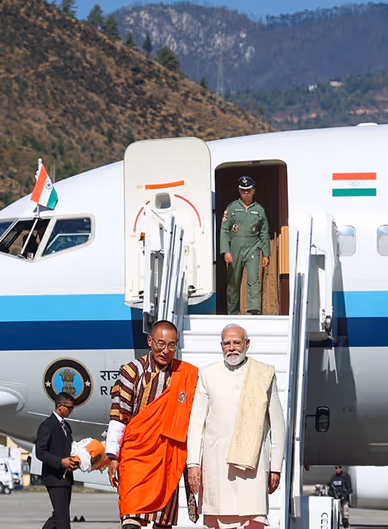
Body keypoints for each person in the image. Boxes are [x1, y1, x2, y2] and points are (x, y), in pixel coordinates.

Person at [185, 324, 285, 529]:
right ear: (221, 346)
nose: (232, 348)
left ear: (247, 344)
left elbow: (278, 425)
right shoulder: (207, 374)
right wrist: (193, 464)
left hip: (253, 467)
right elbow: (196, 424)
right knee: (218, 520)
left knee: (254, 521)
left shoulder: (264, 373)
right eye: (227, 343)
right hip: (217, 465)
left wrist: (275, 467)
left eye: (237, 343)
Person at [106, 320, 199, 529]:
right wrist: (113, 455)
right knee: (130, 512)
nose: (165, 351)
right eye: (160, 344)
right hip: (136, 454)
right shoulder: (132, 371)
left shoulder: (186, 375)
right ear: (150, 341)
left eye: (172, 345)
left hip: (168, 455)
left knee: (162, 521)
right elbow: (119, 414)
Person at [219, 177, 270, 315]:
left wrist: (266, 254)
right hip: (235, 247)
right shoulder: (232, 208)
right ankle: (233, 311)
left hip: (253, 246)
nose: (245, 193)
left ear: (253, 191)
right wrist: (226, 251)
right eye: (242, 190)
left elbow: (264, 232)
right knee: (234, 281)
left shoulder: (259, 210)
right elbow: (224, 230)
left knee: (254, 279)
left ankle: (254, 310)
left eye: (248, 190)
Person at [36, 392, 78, 529]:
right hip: (54, 478)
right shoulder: (47, 425)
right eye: (69, 408)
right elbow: (40, 452)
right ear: (60, 406)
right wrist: (61, 461)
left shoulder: (67, 427)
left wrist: (74, 461)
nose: (71, 411)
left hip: (66, 478)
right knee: (63, 521)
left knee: (59, 517)